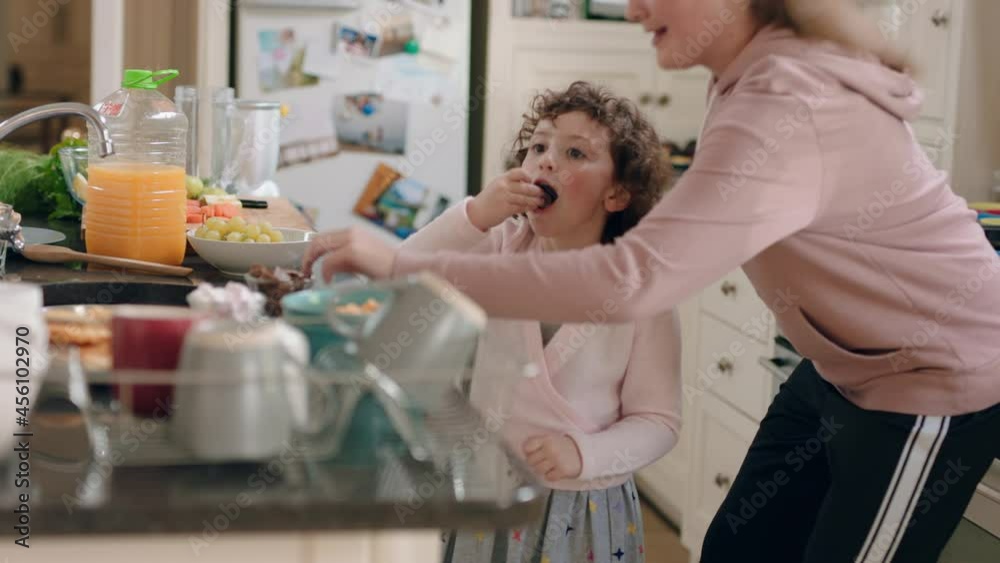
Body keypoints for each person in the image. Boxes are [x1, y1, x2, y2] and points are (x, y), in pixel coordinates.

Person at [304, 1, 1000, 561]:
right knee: (735, 546)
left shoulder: (791, 98)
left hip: (929, 377)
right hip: (840, 365)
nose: (632, 9)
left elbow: (634, 285)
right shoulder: (746, 77)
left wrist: (400, 263)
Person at [398, 81, 680, 563]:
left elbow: (659, 421)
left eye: (575, 153)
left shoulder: (641, 291)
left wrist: (583, 455)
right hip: (484, 493)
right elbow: (403, 269)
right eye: (539, 146)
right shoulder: (501, 246)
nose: (547, 160)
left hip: (584, 507)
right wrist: (475, 215)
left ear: (616, 193)